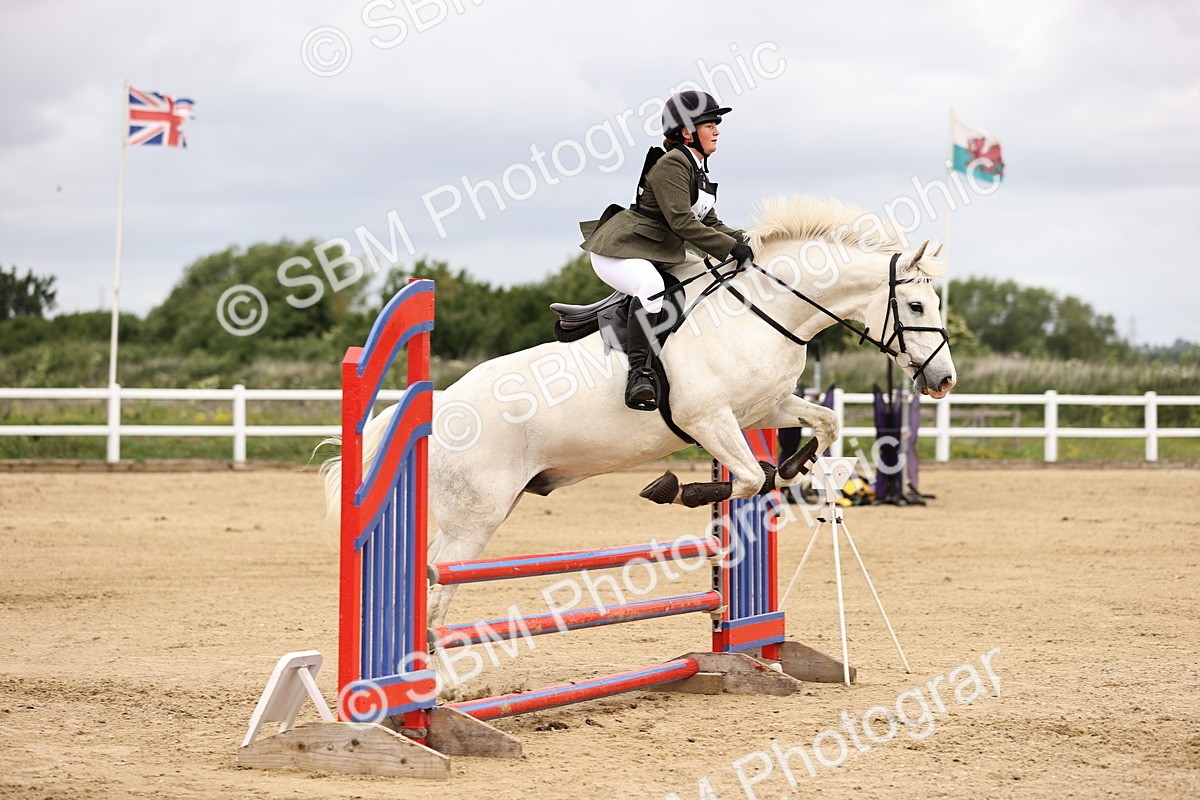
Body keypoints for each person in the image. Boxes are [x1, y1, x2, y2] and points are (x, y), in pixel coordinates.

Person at [579, 90, 754, 411]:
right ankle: (639, 375)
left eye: (717, 123)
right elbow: (683, 224)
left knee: (705, 275)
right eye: (709, 124)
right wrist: (732, 248)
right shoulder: (673, 164)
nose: (717, 129)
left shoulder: (696, 166)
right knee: (651, 286)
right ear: (687, 132)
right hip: (620, 250)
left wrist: (751, 241)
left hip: (655, 251)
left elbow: (710, 221)